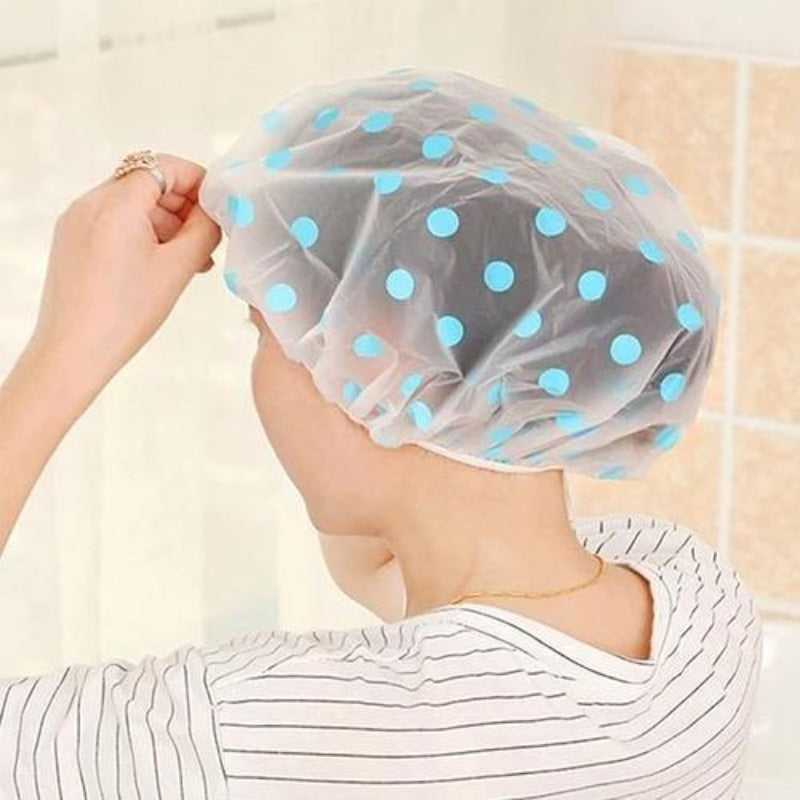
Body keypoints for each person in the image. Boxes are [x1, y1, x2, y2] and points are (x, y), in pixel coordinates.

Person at [0, 68, 762, 799]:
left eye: (265, 329)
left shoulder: (252, 731)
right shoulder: (700, 602)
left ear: (380, 361)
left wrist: (68, 347)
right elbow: (402, 574)